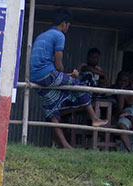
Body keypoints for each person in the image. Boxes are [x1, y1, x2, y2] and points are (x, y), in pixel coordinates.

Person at [29, 8, 107, 149]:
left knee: (51, 110)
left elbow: (51, 69)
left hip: (36, 77)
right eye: (68, 25)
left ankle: (66, 146)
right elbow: (58, 66)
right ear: (64, 24)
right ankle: (95, 119)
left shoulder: (43, 35)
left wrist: (67, 76)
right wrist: (67, 74)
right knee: (80, 86)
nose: (68, 28)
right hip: (48, 75)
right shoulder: (59, 35)